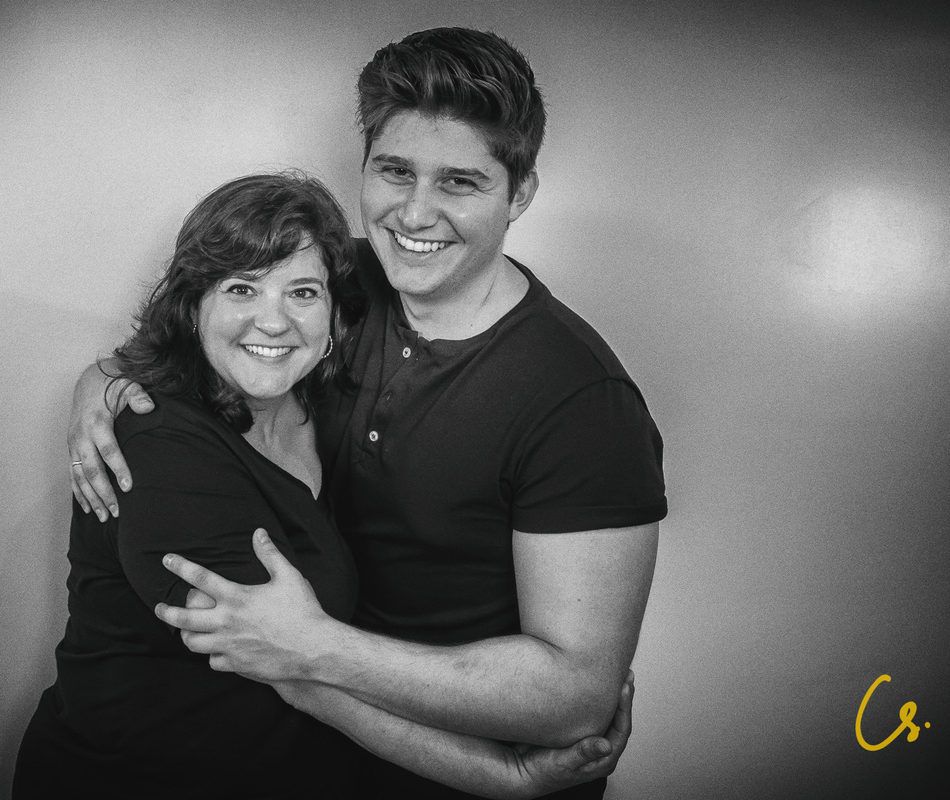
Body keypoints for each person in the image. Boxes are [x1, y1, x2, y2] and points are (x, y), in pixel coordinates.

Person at [70, 28, 665, 799]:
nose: (415, 214)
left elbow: (575, 697)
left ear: (519, 193)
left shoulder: (583, 403)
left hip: (456, 772)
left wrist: (314, 648)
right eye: (395, 171)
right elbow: (199, 328)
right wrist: (100, 387)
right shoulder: (342, 281)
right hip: (323, 764)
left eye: (459, 183)